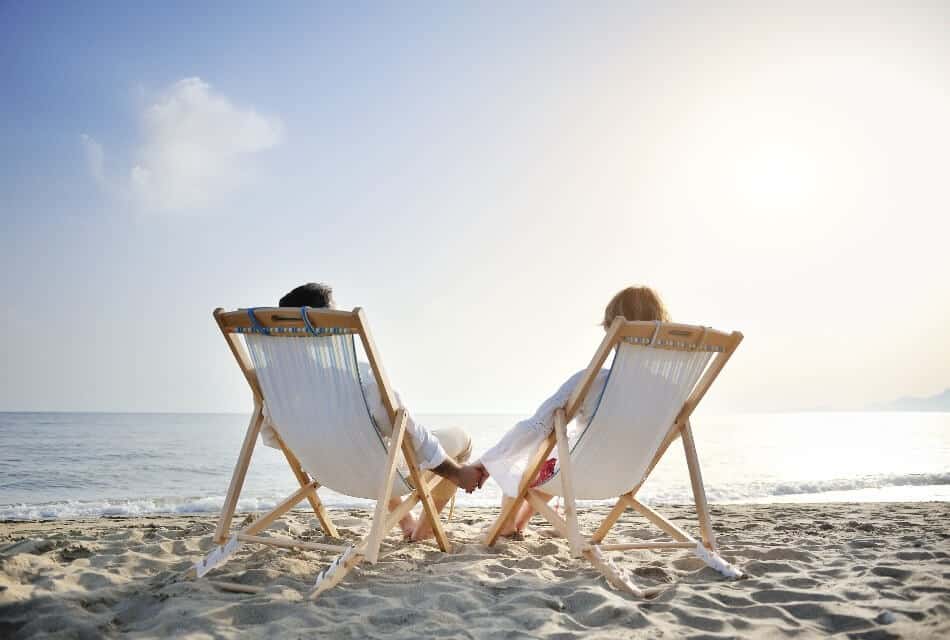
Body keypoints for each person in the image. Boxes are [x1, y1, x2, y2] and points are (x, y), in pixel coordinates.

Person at [264, 282, 487, 541]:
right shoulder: (359, 379)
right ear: (324, 323)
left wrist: (321, 448)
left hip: (327, 472)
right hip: (373, 474)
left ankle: (406, 523)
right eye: (335, 315)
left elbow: (273, 438)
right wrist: (458, 473)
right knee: (457, 438)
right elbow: (405, 432)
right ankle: (423, 532)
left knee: (372, 446)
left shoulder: (274, 386)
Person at [474, 286, 670, 537]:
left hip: (582, 474)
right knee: (554, 462)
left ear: (614, 332)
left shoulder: (592, 381)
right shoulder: (668, 389)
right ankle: (519, 525)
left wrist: (486, 462)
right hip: (629, 476)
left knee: (534, 458)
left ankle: (505, 525)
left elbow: (535, 427)